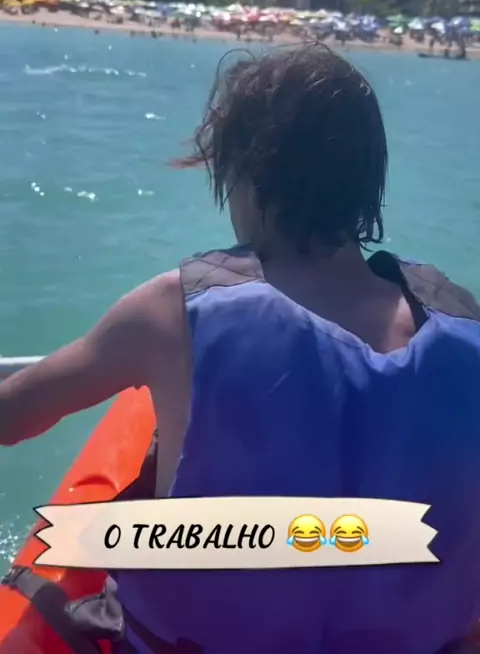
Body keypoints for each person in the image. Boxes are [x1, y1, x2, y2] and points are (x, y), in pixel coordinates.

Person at [2, 45, 480, 654]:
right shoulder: (465, 331)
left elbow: (12, 417)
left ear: (246, 176)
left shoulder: (171, 314)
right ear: (369, 182)